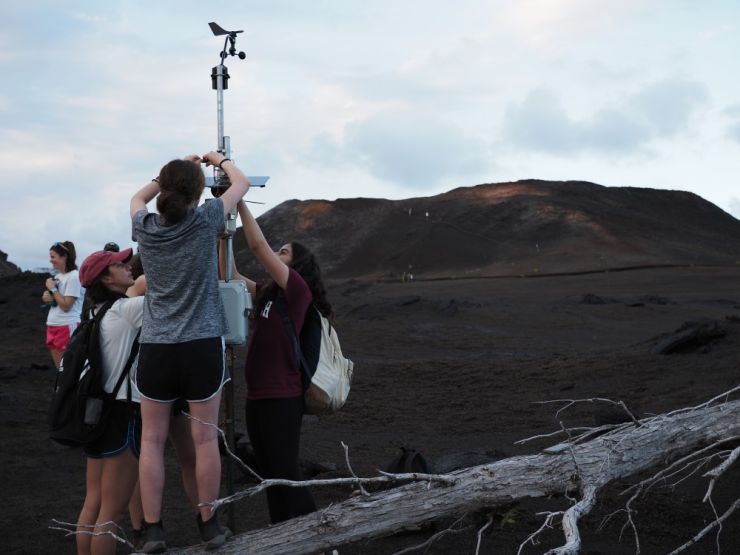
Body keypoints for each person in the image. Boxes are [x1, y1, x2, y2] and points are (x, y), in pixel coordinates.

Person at [130, 152, 249, 553]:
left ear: (163, 190)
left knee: (152, 441)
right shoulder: (205, 220)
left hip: (157, 348)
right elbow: (242, 183)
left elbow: (137, 198)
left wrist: (171, 170)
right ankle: (210, 526)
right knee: (203, 441)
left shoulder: (144, 226)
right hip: (201, 346)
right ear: (198, 193)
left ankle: (152, 530)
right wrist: (218, 159)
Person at [223, 199, 333, 524]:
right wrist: (223, 233)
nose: (278, 254)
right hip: (257, 397)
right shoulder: (268, 294)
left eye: (284, 252)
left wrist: (238, 201)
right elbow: (228, 273)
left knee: (286, 472)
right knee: (270, 474)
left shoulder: (297, 291)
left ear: (298, 265)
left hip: (282, 396)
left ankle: (325, 541)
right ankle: (281, 533)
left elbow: (257, 246)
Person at [74, 248, 143, 555]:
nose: (128, 266)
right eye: (119, 265)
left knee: (93, 502)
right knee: (111, 513)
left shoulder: (92, 314)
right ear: (105, 277)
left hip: (94, 411)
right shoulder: (125, 311)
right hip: (121, 412)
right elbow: (171, 289)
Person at [42, 241, 84, 368]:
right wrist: (46, 297)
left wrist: (53, 289)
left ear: (64, 256)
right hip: (53, 325)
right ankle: (61, 388)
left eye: (53, 257)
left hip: (66, 325)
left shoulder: (74, 277)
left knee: (67, 369)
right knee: (59, 370)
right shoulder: (59, 276)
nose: (51, 260)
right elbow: (56, 300)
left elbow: (66, 306)